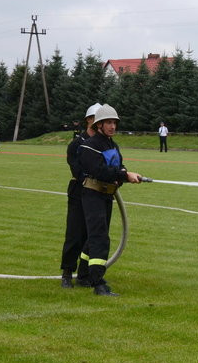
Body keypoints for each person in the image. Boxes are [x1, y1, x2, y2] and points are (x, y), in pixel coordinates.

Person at [77, 104, 142, 296]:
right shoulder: (90, 146)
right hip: (93, 195)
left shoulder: (112, 145)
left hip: (106, 195)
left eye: (114, 123)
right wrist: (123, 174)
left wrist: (125, 175)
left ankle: (83, 275)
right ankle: (98, 282)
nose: (112, 126)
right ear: (99, 125)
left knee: (93, 237)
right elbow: (99, 171)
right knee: (100, 238)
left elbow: (117, 166)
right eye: (108, 123)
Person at [60, 103, 102, 288]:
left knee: (93, 236)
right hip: (80, 192)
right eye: (96, 119)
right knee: (75, 234)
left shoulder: (104, 143)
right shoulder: (77, 144)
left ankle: (84, 274)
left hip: (99, 194)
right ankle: (67, 273)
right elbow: (77, 169)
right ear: (89, 120)